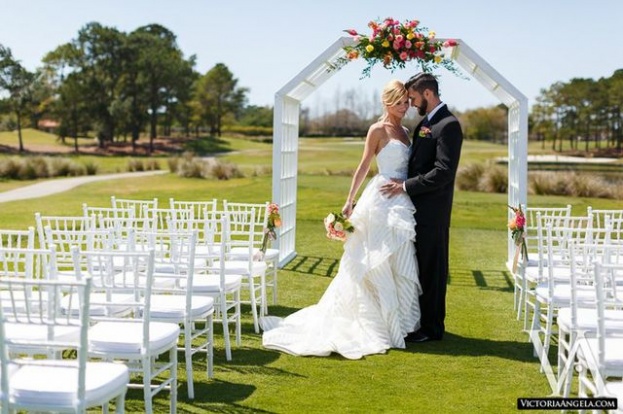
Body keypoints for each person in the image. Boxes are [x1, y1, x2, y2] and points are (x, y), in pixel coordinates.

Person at [261, 79, 421, 359]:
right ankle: (377, 322)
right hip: (381, 199)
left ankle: (401, 323)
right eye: (400, 102)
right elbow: (363, 166)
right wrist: (349, 200)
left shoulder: (406, 131)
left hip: (401, 199)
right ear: (387, 103)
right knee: (374, 260)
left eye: (406, 101)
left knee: (401, 258)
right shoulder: (377, 130)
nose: (405, 106)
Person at [381, 72, 464, 342]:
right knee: (418, 268)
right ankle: (418, 321)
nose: (412, 104)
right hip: (415, 211)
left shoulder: (448, 125)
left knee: (433, 270)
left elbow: (443, 172)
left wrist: (404, 187)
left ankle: (432, 328)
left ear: (428, 94)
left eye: (414, 98)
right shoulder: (425, 124)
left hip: (433, 213)